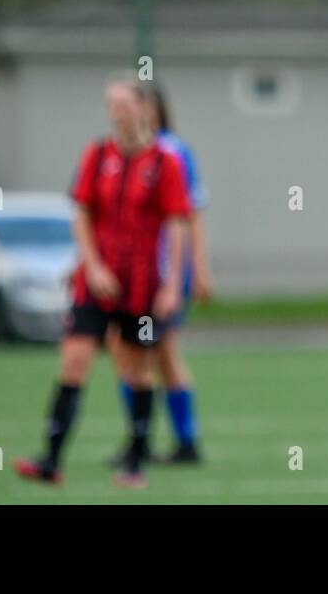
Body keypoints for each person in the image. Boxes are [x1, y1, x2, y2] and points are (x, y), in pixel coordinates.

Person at [14, 78, 191, 489]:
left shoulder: (165, 164)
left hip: (142, 286)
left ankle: (134, 461)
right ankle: (51, 460)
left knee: (137, 371)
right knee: (74, 361)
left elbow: (178, 223)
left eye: (124, 104)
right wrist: (91, 267)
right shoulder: (96, 155)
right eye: (110, 104)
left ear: (144, 108)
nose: (115, 112)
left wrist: (170, 286)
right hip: (94, 285)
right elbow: (81, 214)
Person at [108, 82, 211, 465]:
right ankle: (155, 440)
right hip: (128, 274)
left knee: (156, 351)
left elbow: (191, 213)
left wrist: (198, 269)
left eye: (138, 103)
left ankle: (166, 441)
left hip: (162, 274)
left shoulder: (171, 151)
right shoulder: (120, 154)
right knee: (133, 349)